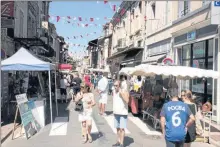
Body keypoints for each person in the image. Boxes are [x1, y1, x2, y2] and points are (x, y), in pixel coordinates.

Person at [112, 80, 129, 147]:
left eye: (116, 85)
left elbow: (127, 101)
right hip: (116, 112)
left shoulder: (124, 91)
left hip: (123, 113)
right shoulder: (114, 91)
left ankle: (122, 143)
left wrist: (121, 94)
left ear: (119, 86)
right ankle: (118, 141)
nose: (115, 87)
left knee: (122, 128)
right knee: (117, 128)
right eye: (114, 85)